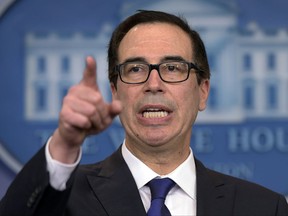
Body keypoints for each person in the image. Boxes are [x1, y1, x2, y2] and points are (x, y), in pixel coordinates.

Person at [0, 10, 287, 216]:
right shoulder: (65, 199)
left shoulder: (264, 207)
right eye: (135, 69)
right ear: (114, 91)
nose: (153, 84)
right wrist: (64, 142)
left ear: (203, 91)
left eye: (173, 68)